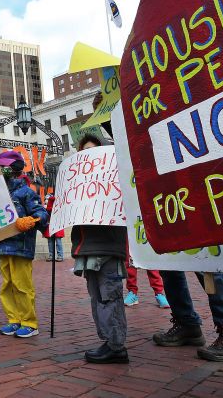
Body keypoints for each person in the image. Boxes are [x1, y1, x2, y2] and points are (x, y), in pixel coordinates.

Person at [72, 134, 128, 363]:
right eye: (84, 152)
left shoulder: (116, 181)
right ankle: (108, 340)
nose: (89, 157)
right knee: (97, 297)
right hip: (89, 250)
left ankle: (116, 346)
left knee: (109, 297)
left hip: (108, 248)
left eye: (93, 152)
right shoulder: (79, 184)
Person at [0, 150, 48, 339]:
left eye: (3, 166)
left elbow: (42, 214)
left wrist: (32, 220)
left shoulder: (26, 192)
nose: (0, 169)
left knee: (22, 285)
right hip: (2, 245)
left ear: (13, 168)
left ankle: (29, 322)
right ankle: (13, 319)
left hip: (20, 246)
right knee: (7, 285)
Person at [43, 190, 64, 261]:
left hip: (56, 224)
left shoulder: (57, 204)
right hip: (51, 224)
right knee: (52, 241)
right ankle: (56, 255)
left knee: (56, 241)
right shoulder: (48, 207)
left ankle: (58, 255)